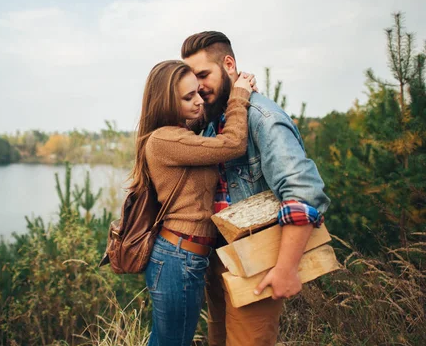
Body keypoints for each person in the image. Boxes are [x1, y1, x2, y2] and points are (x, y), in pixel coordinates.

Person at [180, 31, 331, 346]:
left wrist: (287, 268)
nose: (198, 86)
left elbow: (303, 193)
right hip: (218, 259)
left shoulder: (262, 118)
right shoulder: (215, 120)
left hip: (256, 263)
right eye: (192, 80)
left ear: (229, 64)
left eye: (203, 75)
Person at [130, 60, 256, 346]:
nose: (199, 101)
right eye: (189, 98)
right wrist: (239, 96)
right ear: (166, 102)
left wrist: (228, 90)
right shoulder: (166, 140)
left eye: (199, 92)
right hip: (178, 258)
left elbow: (202, 120)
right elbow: (233, 144)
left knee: (167, 341)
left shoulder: (178, 133)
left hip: (184, 256)